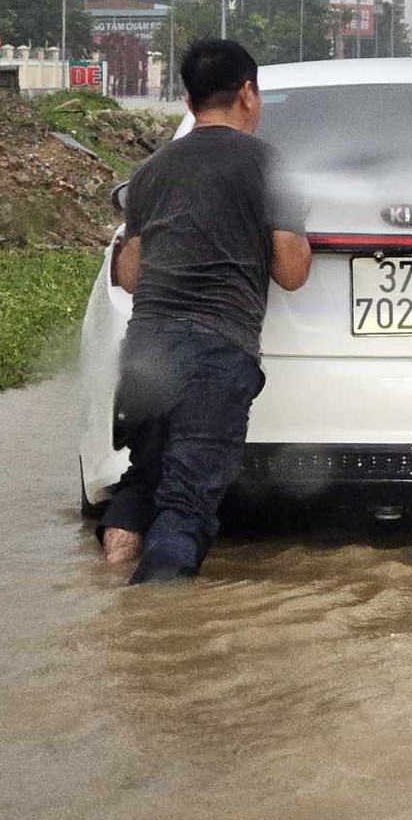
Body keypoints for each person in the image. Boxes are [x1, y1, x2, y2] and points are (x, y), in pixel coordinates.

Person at [99, 38, 312, 584]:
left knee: (142, 482)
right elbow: (291, 271)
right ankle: (154, 631)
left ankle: (104, 584)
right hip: (215, 354)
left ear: (189, 103)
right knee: (187, 505)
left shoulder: (149, 171)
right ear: (247, 94)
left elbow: (128, 276)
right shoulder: (270, 164)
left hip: (146, 350)